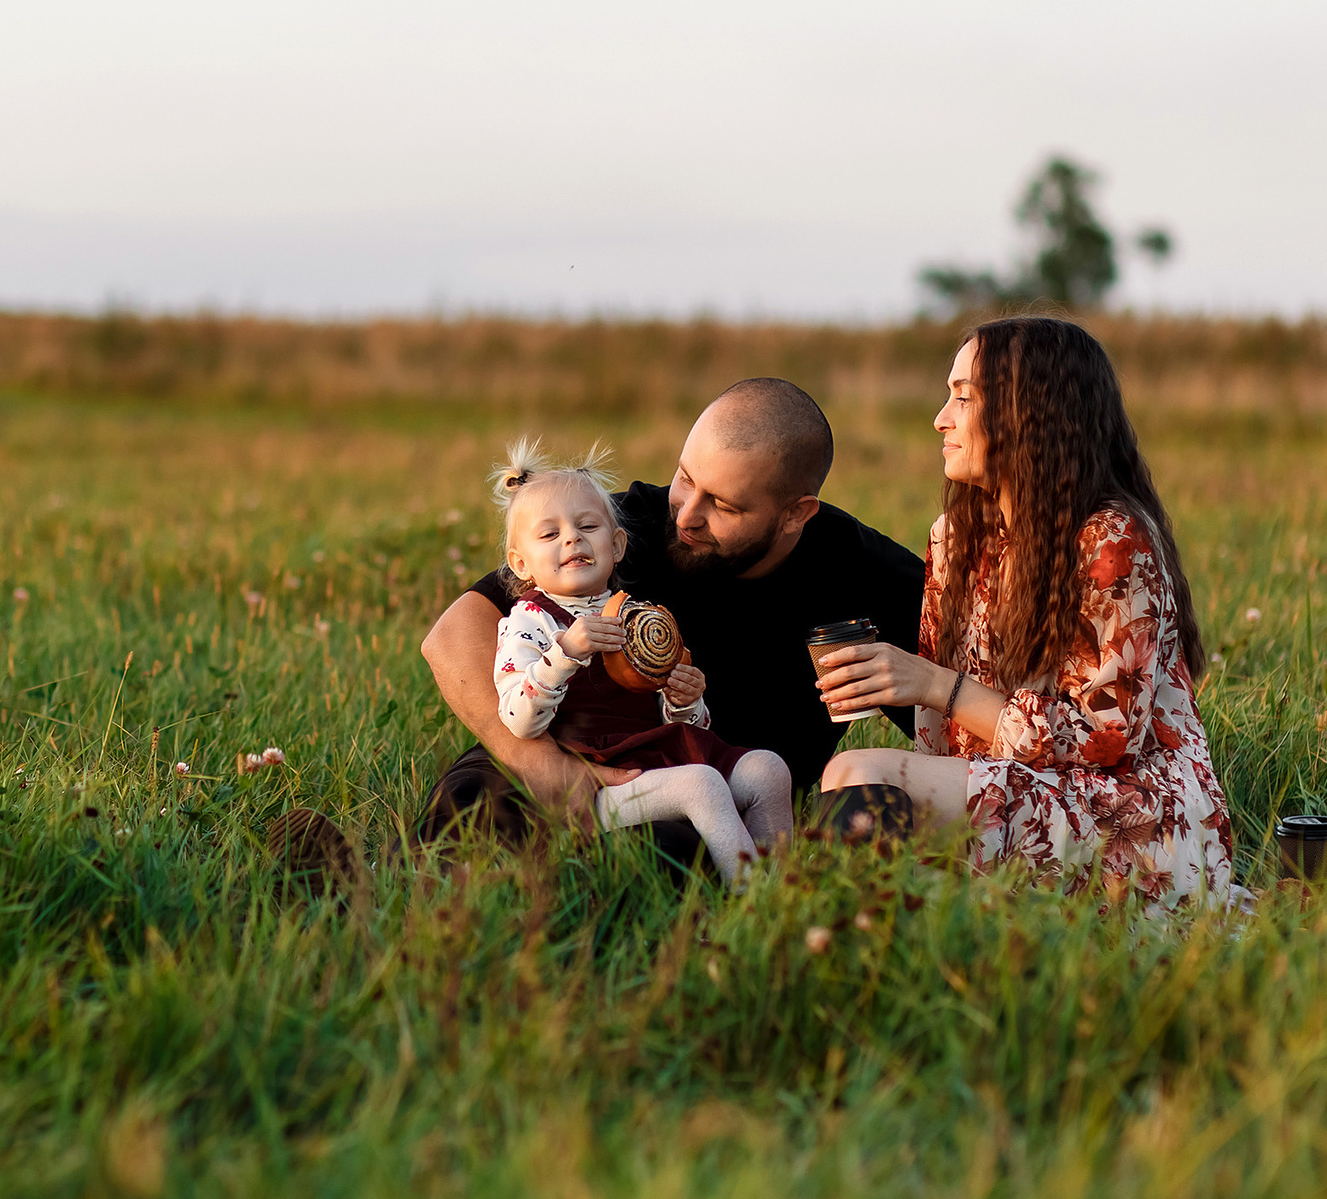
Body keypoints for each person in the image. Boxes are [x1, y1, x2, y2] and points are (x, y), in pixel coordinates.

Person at [811, 316, 1238, 910]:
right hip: (1015, 788)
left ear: (1029, 412)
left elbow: (1106, 736)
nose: (942, 418)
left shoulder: (1112, 540)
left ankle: (865, 944)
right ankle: (876, 941)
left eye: (963, 397)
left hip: (1130, 813)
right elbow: (942, 744)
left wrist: (931, 683)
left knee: (864, 777)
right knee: (849, 777)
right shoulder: (955, 541)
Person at [415, 378, 924, 852]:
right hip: (568, 755)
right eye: (685, 478)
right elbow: (452, 634)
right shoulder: (613, 530)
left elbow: (964, 725)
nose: (685, 515)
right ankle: (361, 886)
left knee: (663, 854)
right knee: (474, 804)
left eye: (723, 505)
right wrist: (543, 764)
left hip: (715, 792)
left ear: (796, 513)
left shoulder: (870, 577)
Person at [486, 438, 788, 882]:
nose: (572, 538)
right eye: (550, 534)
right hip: (597, 777)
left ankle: (786, 888)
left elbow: (686, 725)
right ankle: (756, 902)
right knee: (701, 785)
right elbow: (518, 719)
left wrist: (685, 700)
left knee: (768, 771)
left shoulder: (638, 616)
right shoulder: (529, 622)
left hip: (658, 753)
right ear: (520, 563)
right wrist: (565, 654)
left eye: (587, 527)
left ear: (617, 545)